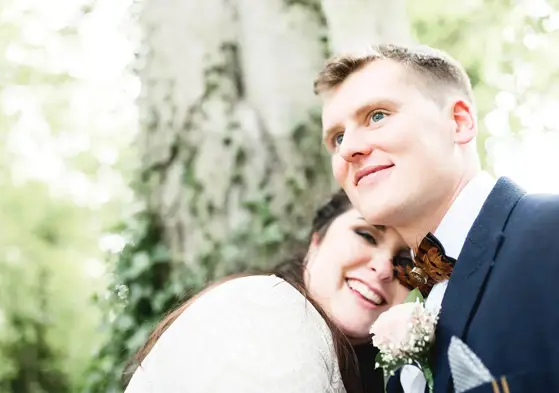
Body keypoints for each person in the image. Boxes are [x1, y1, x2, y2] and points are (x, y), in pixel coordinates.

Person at [314, 43, 559, 393]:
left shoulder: (551, 236)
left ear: (458, 123)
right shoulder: (409, 318)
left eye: (377, 115)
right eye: (337, 137)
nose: (349, 148)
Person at [123, 189, 411, 393]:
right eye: (366, 235)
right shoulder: (266, 312)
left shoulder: (384, 376)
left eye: (405, 261)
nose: (384, 268)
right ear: (316, 242)